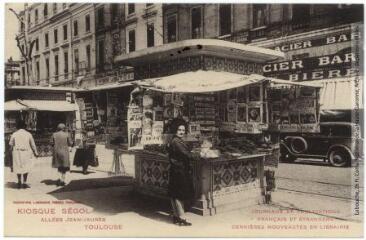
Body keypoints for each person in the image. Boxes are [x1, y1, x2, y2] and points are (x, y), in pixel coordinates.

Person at [168, 118, 194, 226]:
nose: (181, 132)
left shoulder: (176, 140)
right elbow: (186, 154)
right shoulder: (176, 141)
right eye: (179, 130)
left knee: (174, 194)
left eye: (183, 130)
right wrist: (200, 154)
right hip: (179, 171)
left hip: (176, 170)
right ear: (175, 130)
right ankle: (182, 218)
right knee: (179, 195)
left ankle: (176, 216)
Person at [9, 120, 38, 189]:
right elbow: (33, 144)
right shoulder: (28, 134)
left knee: (18, 166)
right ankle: (24, 182)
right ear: (24, 126)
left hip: (17, 152)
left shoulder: (14, 134)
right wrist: (35, 152)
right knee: (26, 167)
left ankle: (19, 181)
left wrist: (10, 152)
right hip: (26, 153)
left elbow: (11, 145)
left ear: (18, 126)